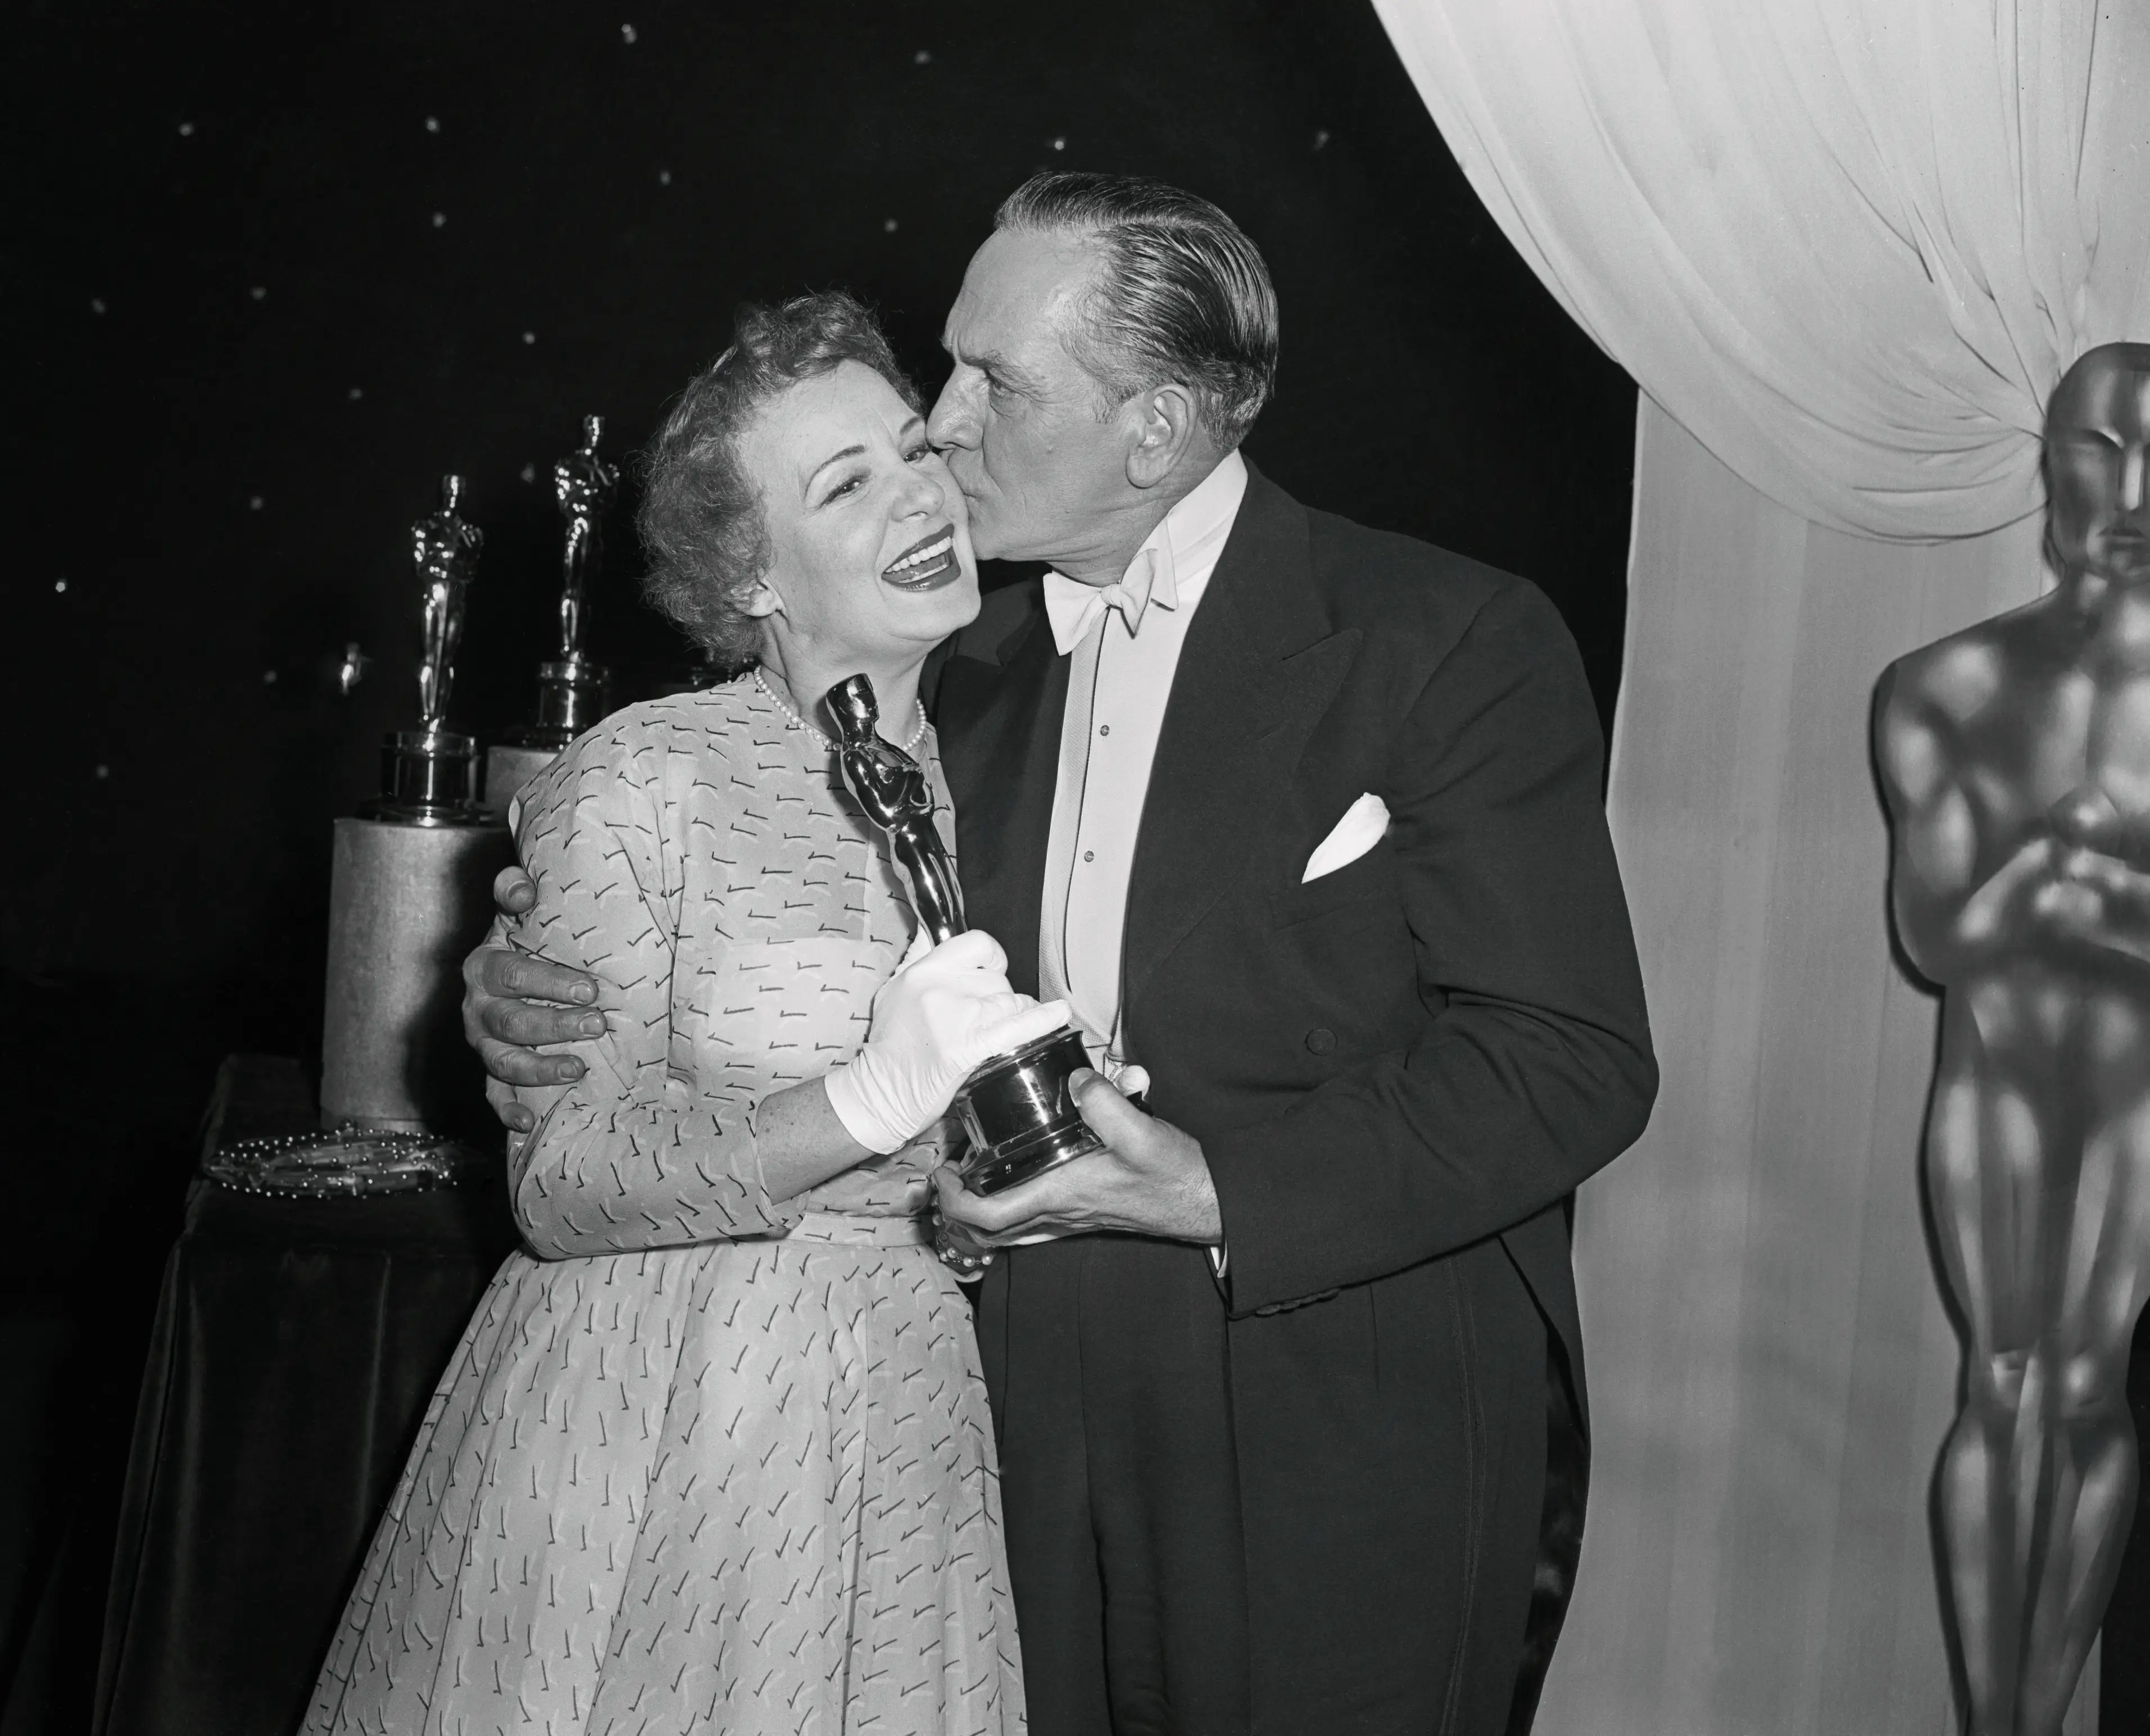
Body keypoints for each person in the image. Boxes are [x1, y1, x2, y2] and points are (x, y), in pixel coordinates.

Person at [469, 175, 1658, 1735]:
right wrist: (522, 969)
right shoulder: (956, 670)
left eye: (991, 384)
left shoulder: (1439, 637)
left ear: (1154, 431)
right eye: (943, 370)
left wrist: (1217, 1192)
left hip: (1334, 1411)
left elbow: (1571, 1058)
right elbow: (752, 887)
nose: (943, 420)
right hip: (1000, 1426)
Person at [307, 290, 1064, 1736]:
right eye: (845, 486)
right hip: (661, 1416)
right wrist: (862, 1103)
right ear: (754, 576)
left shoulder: (997, 768)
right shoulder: (641, 775)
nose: (919, 499)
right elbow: (561, 1184)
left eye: (913, 451)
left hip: (902, 1420)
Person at [1874, 341, 2150, 1736]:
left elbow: (1984, 910)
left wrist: (2061, 889)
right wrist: (2055, 891)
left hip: (2136, 1091)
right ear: (2047, 464)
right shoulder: (1947, 686)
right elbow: (1932, 934)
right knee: (2002, 1379)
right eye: (2097, 448)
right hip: (1998, 1077)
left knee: (2087, 1387)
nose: (2129, 486)